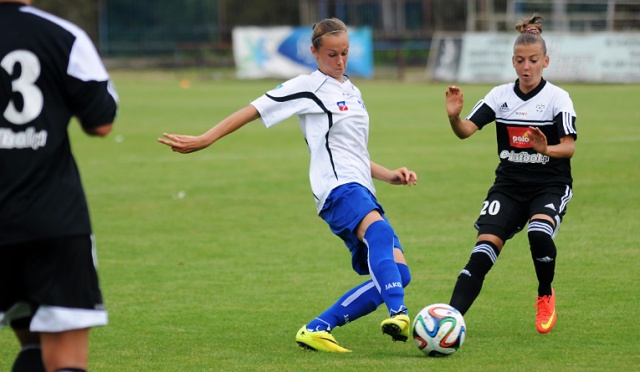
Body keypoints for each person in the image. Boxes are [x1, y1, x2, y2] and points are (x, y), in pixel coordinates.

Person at [158, 18, 417, 352]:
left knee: (399, 272)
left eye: (345, 54)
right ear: (314, 53)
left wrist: (389, 174)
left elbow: (350, 152)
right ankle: (400, 312)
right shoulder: (307, 86)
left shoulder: (352, 91)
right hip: (337, 189)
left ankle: (317, 328)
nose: (339, 61)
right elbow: (254, 109)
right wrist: (205, 138)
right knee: (380, 234)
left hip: (360, 186)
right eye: (332, 55)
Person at [0, 1, 119, 371]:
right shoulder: (62, 35)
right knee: (63, 357)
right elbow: (101, 122)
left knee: (31, 345)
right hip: (51, 216)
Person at [444, 14, 577, 334]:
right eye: (520, 61)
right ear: (513, 62)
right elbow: (465, 131)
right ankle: (447, 320)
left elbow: (568, 147)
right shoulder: (500, 96)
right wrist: (454, 116)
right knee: (482, 252)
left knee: (539, 233)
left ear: (546, 61)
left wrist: (545, 150)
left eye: (533, 60)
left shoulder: (558, 99)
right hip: (508, 187)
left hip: (550, 184)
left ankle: (545, 293)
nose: (526, 67)